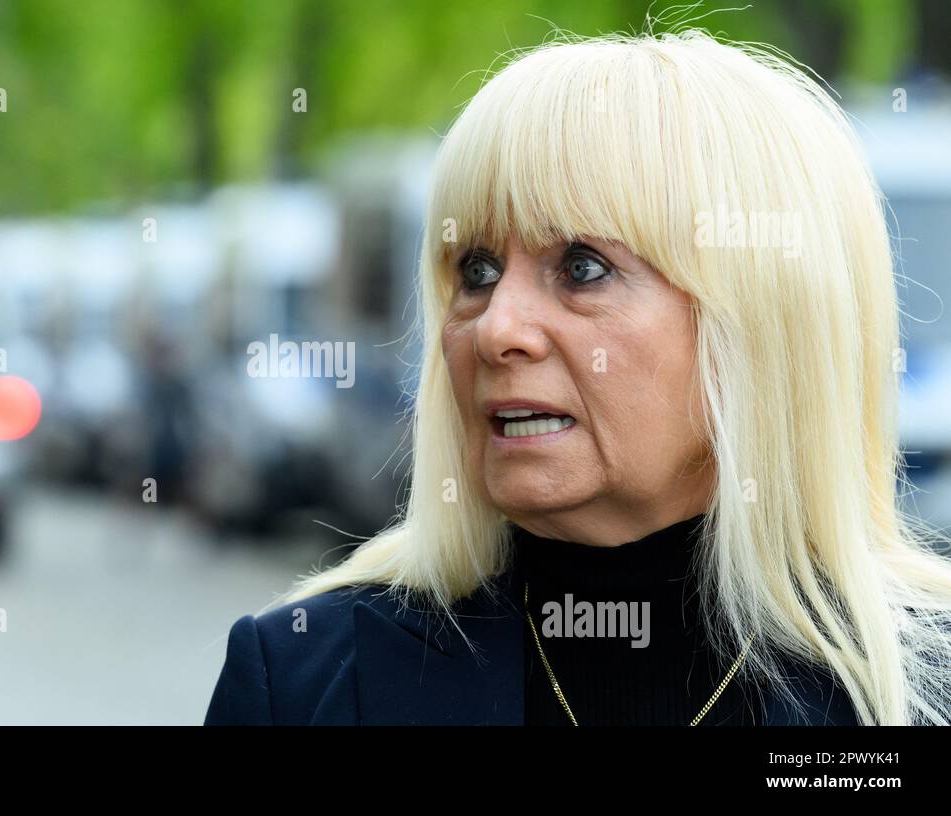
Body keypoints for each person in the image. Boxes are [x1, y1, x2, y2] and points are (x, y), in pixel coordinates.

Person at [204, 28, 951, 725]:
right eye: (477, 270)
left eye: (583, 268)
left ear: (762, 318)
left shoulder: (918, 691)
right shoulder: (307, 683)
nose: (496, 329)